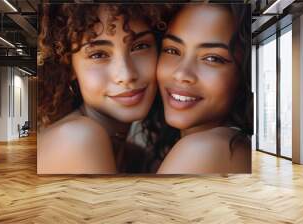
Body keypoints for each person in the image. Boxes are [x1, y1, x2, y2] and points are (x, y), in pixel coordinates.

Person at [37, 3, 168, 174]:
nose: (126, 75)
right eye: (98, 55)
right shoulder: (77, 138)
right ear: (69, 67)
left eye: (140, 46)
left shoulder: (134, 156)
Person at [156, 4, 253, 174]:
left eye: (212, 58)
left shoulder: (204, 150)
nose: (181, 74)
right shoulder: (229, 145)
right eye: (172, 50)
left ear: (244, 74)